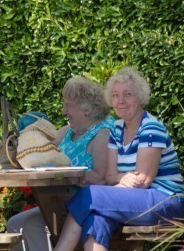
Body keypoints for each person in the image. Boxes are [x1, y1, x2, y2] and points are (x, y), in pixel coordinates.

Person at [53, 67, 184, 251]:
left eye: (128, 94)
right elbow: (109, 177)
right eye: (115, 95)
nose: (121, 101)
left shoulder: (150, 128)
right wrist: (121, 177)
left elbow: (142, 181)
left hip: (164, 201)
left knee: (89, 195)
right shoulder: (116, 129)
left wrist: (116, 180)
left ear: (140, 97)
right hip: (134, 199)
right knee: (96, 219)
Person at [7, 77, 114, 251]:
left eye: (68, 105)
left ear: (85, 108)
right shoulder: (68, 131)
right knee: (18, 223)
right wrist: (9, 145)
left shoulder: (103, 133)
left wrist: (66, 173)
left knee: (26, 224)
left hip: (87, 206)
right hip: (62, 203)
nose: (64, 112)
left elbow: (101, 179)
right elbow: (38, 150)